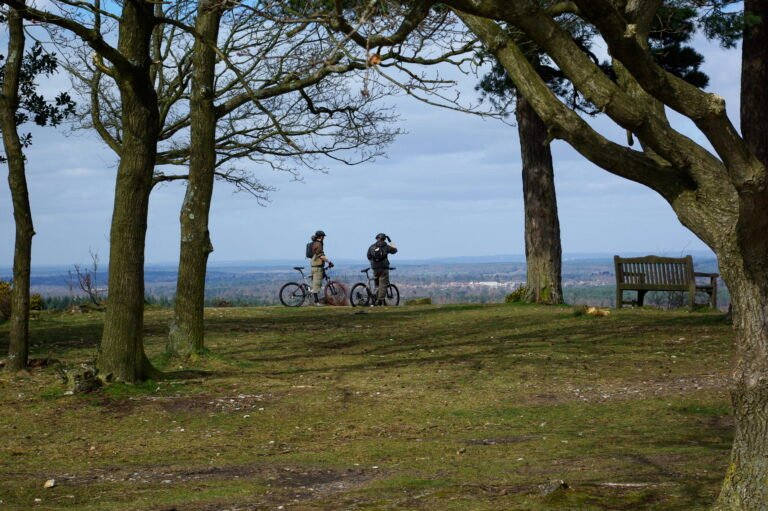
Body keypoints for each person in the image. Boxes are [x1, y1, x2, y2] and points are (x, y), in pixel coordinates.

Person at [367, 233, 397, 305]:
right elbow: (395, 250)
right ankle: (380, 300)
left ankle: (374, 299)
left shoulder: (372, 247)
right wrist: (390, 241)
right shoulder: (386, 247)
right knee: (383, 285)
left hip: (375, 268)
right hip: (384, 268)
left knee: (377, 285)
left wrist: (374, 262)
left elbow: (368, 256)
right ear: (384, 239)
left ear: (377, 238)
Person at [310, 230, 333, 306]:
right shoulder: (318, 244)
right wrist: (329, 262)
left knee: (315, 283)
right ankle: (316, 302)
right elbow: (321, 255)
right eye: (323, 236)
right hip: (317, 268)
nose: (324, 238)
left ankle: (315, 298)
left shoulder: (315, 243)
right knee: (317, 284)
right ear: (321, 237)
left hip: (315, 266)